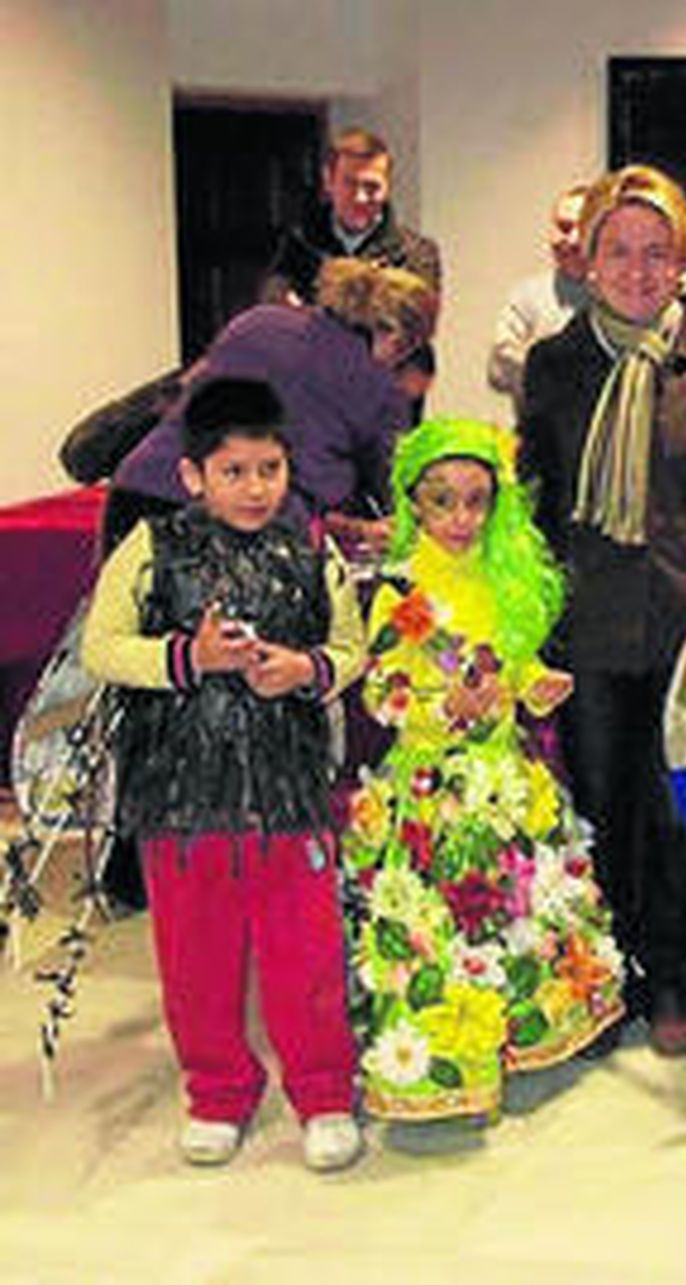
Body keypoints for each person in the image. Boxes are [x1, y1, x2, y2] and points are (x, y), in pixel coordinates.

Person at [517, 164, 686, 1057]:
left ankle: (670, 978)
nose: (637, 268)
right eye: (618, 250)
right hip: (587, 626)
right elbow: (536, 501)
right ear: (588, 260)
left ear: (684, 263)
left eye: (656, 252)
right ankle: (605, 974)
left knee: (679, 810)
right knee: (597, 803)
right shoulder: (554, 365)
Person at [79, 376, 367, 1171]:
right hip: (181, 796)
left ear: (288, 469)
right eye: (233, 471)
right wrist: (188, 659)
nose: (254, 487)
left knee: (304, 954)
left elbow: (352, 650)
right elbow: (100, 648)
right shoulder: (151, 548)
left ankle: (324, 1092)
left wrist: (304, 669)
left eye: (269, 468)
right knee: (196, 959)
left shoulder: (314, 554)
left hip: (291, 795)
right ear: (192, 476)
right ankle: (216, 1090)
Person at [343, 418, 624, 1121]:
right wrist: (446, 705)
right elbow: (383, 692)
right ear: (415, 503)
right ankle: (442, 1064)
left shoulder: (504, 580)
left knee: (517, 910)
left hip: (505, 774)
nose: (462, 517)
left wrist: (533, 681)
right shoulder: (402, 590)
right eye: (444, 500)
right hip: (432, 786)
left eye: (476, 500)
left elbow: (504, 661)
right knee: (438, 927)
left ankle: (520, 1032)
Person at [108, 257, 437, 558]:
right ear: (398, 338)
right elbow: (394, 481)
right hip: (234, 526)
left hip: (139, 492)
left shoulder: (257, 320)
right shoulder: (377, 386)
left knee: (121, 619)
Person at [261, 126, 442, 306]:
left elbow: (416, 323)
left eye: (372, 187)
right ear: (328, 182)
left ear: (388, 187)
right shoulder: (297, 246)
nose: (360, 198)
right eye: (349, 183)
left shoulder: (417, 254)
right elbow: (273, 305)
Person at [487, 182, 589, 415]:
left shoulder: (620, 297)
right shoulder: (526, 296)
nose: (572, 240)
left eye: (583, 229)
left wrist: (535, 357)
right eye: (564, 227)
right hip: (538, 440)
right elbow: (499, 370)